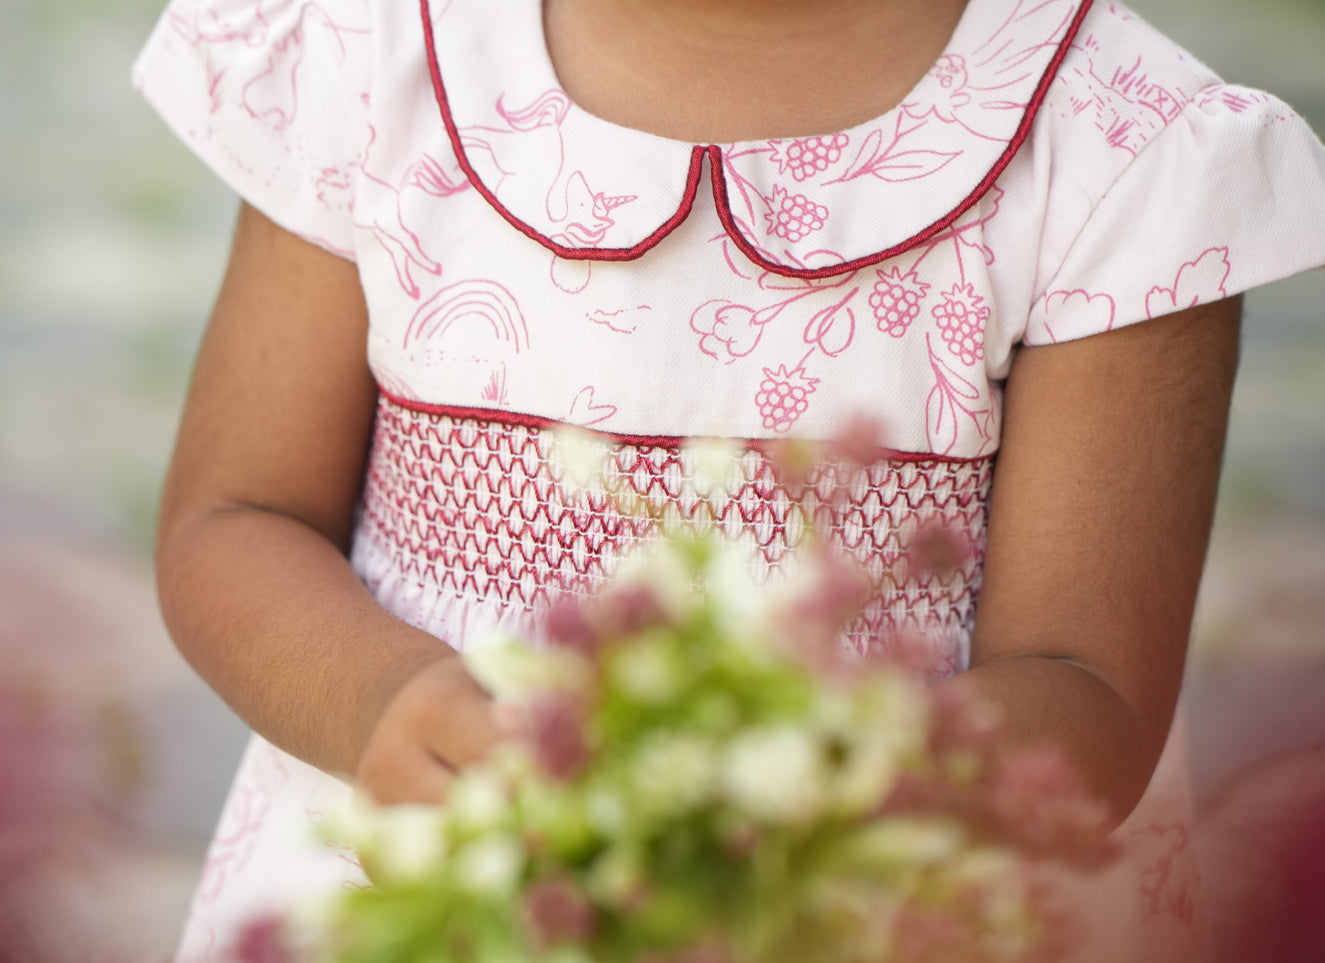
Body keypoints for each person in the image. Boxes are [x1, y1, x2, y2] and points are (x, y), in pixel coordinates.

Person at [132, 0, 1325, 958]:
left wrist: (790, 786)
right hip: (432, 870)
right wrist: (381, 703)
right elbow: (233, 519)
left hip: (873, 907)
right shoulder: (370, 52)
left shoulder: (1111, 141)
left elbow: (1088, 691)